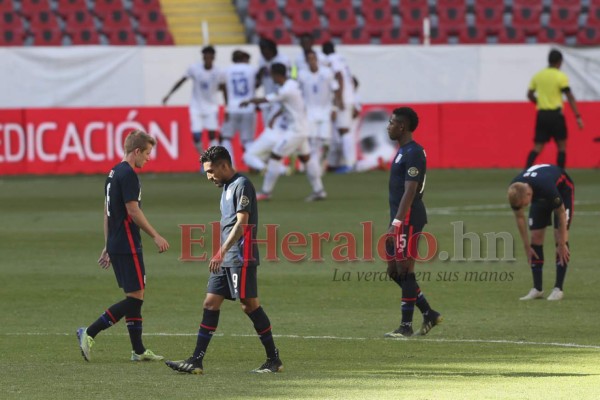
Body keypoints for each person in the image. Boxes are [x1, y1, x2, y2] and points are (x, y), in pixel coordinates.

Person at [165, 146, 283, 374]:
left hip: (240, 256)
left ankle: (274, 359)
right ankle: (196, 360)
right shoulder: (227, 186)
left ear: (223, 165)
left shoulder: (242, 185)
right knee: (210, 303)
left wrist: (220, 251)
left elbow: (242, 224)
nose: (208, 177)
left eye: (210, 171)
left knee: (249, 305)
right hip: (225, 258)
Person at [77, 129, 170, 362]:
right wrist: (155, 235)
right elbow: (132, 210)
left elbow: (107, 212)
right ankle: (89, 332)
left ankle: (138, 351)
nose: (149, 158)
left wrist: (107, 244)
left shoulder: (113, 173)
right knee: (135, 299)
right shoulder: (128, 174)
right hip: (128, 243)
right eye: (147, 153)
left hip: (118, 242)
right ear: (136, 151)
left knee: (135, 294)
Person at [383, 107, 443, 338]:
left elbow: (411, 190)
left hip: (408, 217)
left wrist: (397, 221)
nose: (388, 126)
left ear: (402, 127)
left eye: (391, 122)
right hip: (399, 217)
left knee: (405, 270)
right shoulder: (403, 152)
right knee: (394, 271)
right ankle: (428, 312)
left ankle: (405, 326)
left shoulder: (414, 153)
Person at [241, 63, 327, 202]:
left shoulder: (286, 90)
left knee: (275, 155)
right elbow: (289, 105)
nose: (271, 78)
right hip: (302, 128)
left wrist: (249, 100)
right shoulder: (292, 84)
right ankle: (319, 191)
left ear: (276, 75)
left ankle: (266, 192)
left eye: (271, 75)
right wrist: (275, 116)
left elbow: (267, 99)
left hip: (296, 131)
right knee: (306, 158)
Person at [508, 164, 574, 301]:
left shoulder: (547, 188)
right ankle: (537, 289)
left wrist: (562, 243)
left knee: (559, 235)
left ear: (528, 194)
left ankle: (558, 289)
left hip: (562, 192)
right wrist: (526, 247)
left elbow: (561, 213)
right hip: (539, 196)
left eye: (524, 204)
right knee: (536, 237)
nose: (524, 207)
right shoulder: (515, 189)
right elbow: (519, 217)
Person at [525, 49, 584, 169]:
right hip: (556, 115)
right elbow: (569, 96)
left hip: (542, 115)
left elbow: (530, 94)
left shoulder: (538, 75)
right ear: (559, 62)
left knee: (537, 147)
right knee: (562, 147)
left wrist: (539, 101)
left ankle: (524, 172)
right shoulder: (560, 76)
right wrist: (577, 116)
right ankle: (560, 175)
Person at [162, 45, 225, 155]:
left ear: (213, 57)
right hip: (196, 107)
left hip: (211, 107)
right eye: (206, 55)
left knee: (212, 135)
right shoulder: (194, 68)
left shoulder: (219, 72)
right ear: (203, 57)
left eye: (210, 55)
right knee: (196, 136)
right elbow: (182, 81)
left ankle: (213, 160)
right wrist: (169, 94)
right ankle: (203, 158)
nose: (208, 58)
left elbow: (223, 88)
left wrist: (227, 106)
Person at [297, 50, 339, 174]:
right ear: (306, 61)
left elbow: (335, 90)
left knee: (326, 142)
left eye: (313, 58)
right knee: (312, 141)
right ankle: (314, 168)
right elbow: (298, 93)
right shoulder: (302, 74)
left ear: (317, 59)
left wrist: (335, 108)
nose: (312, 61)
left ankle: (322, 162)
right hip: (309, 111)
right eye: (309, 59)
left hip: (325, 110)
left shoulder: (327, 73)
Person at [323, 41, 356, 173]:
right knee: (340, 132)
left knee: (344, 130)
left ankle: (349, 164)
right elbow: (350, 79)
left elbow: (339, 77)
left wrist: (339, 98)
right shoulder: (342, 59)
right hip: (349, 97)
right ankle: (337, 163)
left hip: (343, 99)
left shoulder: (331, 60)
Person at [221, 50, 259, 160]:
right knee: (248, 140)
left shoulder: (227, 70)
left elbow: (224, 89)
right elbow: (257, 83)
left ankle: (231, 165)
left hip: (232, 107)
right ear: (244, 59)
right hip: (248, 108)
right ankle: (255, 163)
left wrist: (227, 107)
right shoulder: (251, 69)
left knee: (226, 137)